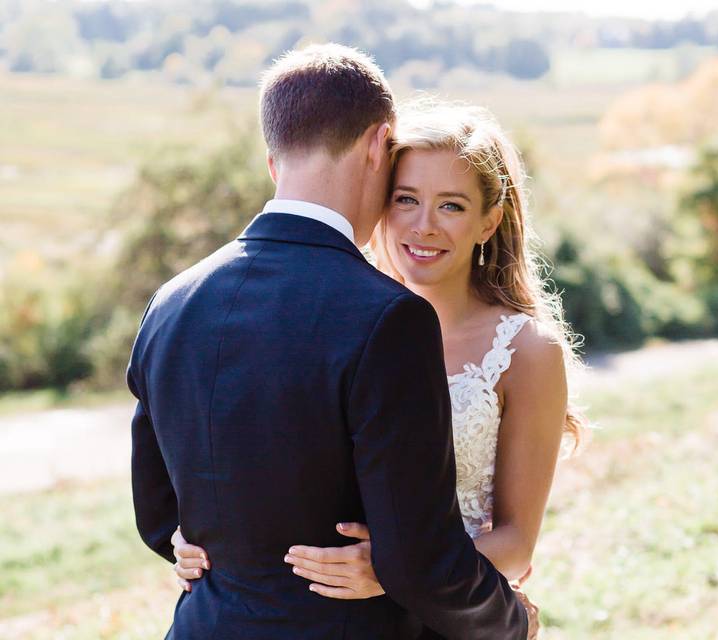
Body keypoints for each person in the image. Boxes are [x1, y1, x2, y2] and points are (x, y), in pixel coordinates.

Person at [126, 44, 528, 639]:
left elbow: (159, 515)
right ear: (376, 145)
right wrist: (513, 621)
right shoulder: (389, 317)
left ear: (273, 161)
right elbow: (420, 558)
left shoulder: (172, 302)